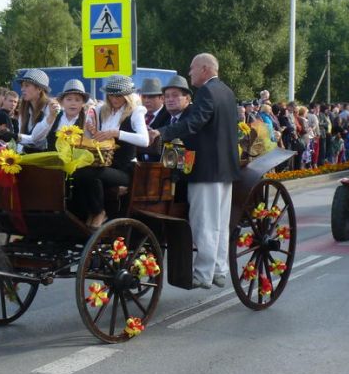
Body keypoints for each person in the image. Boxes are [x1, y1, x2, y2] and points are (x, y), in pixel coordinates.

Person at [149, 54, 239, 290]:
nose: (190, 73)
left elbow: (194, 123)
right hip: (224, 169)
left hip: (206, 169)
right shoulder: (227, 92)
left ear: (205, 69)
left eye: (192, 69)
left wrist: (163, 133)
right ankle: (219, 270)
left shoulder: (207, 93)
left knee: (205, 223)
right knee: (220, 222)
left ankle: (203, 274)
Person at [74, 74, 149, 228]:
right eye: (111, 95)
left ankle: (99, 212)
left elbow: (145, 140)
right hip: (106, 165)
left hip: (126, 169)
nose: (114, 99)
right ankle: (92, 212)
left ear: (127, 96)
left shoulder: (136, 111)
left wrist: (117, 133)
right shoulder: (104, 111)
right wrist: (92, 131)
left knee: (90, 173)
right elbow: (98, 141)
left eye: (119, 95)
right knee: (82, 173)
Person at [16, 69, 60, 152]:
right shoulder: (24, 108)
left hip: (47, 161)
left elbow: (36, 138)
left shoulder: (51, 108)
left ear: (39, 89)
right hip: (27, 159)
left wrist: (16, 137)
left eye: (27, 85)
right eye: (22, 86)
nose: (22, 89)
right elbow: (22, 140)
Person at [45, 79, 88, 151]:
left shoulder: (87, 121)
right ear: (62, 102)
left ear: (83, 103)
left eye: (77, 100)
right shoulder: (54, 117)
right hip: (54, 159)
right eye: (69, 99)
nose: (73, 103)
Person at [137, 77, 169, 162]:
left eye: (151, 97)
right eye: (144, 97)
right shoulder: (136, 114)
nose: (146, 100)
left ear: (162, 98)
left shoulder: (169, 116)